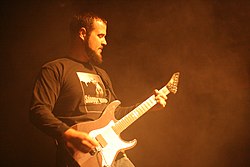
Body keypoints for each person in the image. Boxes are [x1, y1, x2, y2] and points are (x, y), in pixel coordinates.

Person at [30, 12, 167, 167]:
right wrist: (69, 134)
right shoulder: (55, 69)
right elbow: (38, 110)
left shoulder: (102, 75)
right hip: (81, 158)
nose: (105, 42)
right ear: (82, 33)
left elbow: (115, 114)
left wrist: (149, 106)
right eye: (100, 35)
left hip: (112, 154)